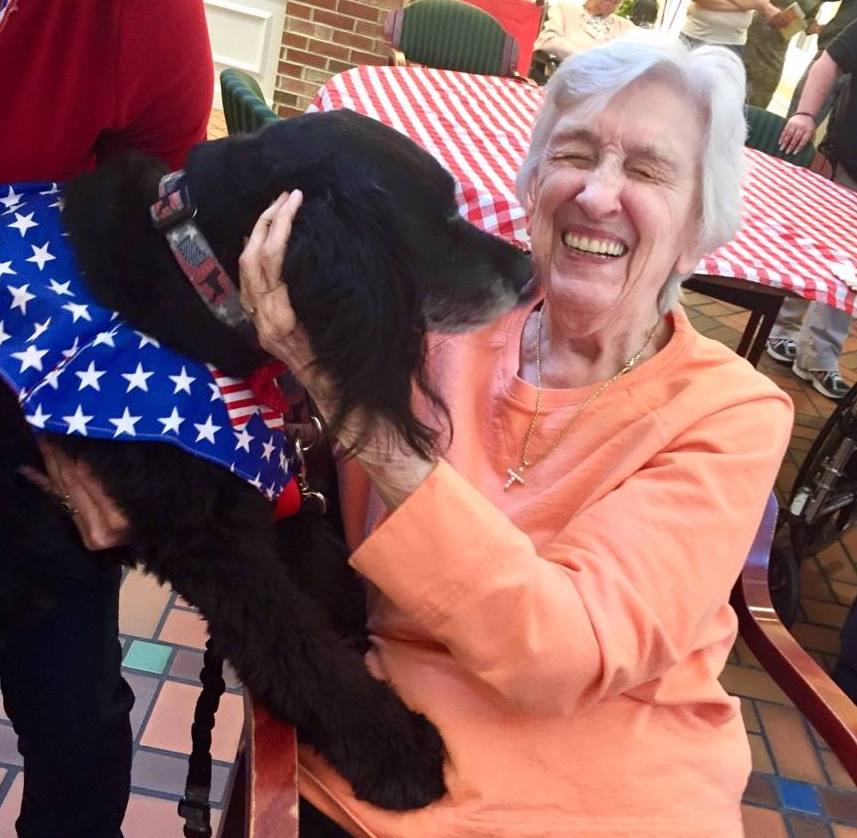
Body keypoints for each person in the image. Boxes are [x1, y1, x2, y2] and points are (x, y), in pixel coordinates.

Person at [39, 36, 794, 837]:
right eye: (572, 155)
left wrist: (354, 413)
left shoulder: (730, 413)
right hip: (386, 755)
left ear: (697, 226)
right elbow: (244, 481)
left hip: (616, 786)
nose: (597, 195)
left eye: (645, 171)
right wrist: (70, 458)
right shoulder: (425, 323)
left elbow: (561, 654)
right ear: (532, 184)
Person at [0, 1, 213, 835]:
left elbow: (167, 240)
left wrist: (109, 421)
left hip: (37, 406)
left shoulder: (134, 15)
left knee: (75, 723)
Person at [765, 18, 857, 400]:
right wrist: (805, 114)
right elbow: (828, 62)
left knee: (852, 264)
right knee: (822, 248)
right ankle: (783, 330)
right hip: (849, 159)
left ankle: (817, 355)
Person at [533, 0, 636, 61]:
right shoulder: (565, 9)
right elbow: (548, 41)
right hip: (569, 77)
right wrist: (587, 58)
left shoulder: (626, 26)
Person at [680, 0, 781, 57]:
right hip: (697, 39)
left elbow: (761, 3)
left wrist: (759, 4)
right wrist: (751, 5)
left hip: (734, 45)